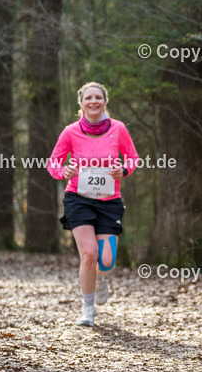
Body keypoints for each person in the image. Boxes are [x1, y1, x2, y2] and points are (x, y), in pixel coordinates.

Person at [47, 82, 139, 327]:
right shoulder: (71, 131)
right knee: (88, 254)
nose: (94, 101)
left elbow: (132, 157)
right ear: (81, 103)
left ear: (105, 102)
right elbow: (53, 162)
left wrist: (125, 169)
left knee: (106, 260)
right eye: (89, 97)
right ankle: (87, 308)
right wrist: (63, 171)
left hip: (109, 202)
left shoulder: (118, 129)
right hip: (78, 198)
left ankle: (100, 279)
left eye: (98, 97)